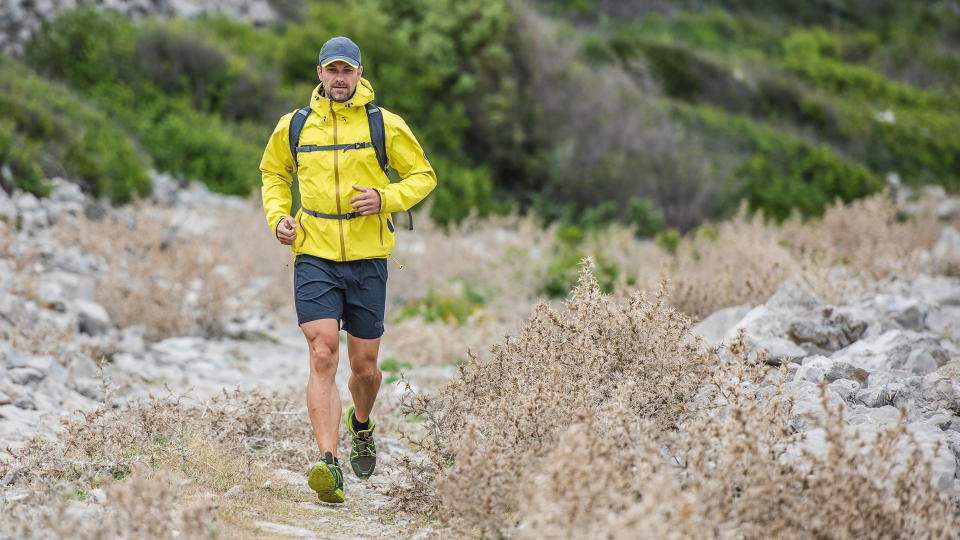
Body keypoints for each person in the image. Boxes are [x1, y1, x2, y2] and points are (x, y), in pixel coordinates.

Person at [259, 36, 437, 504]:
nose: (340, 78)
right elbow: (274, 173)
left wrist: (385, 198)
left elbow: (423, 176)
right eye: (331, 70)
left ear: (359, 73)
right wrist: (278, 216)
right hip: (313, 252)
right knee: (322, 353)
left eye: (348, 70)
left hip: (367, 259)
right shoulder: (295, 126)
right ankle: (328, 463)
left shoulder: (385, 124)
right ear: (318, 73)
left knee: (365, 367)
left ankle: (362, 424)